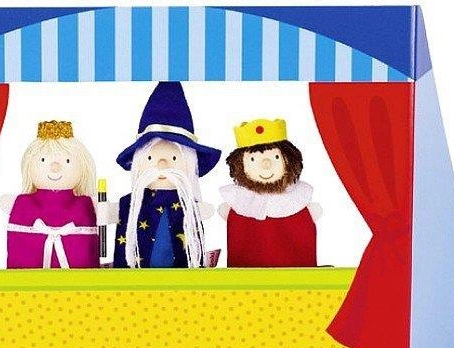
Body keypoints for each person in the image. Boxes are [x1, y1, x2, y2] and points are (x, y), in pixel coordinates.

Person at [98, 82, 221, 268]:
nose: (162, 165)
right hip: (133, 281)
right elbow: (110, 214)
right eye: (151, 158)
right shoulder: (130, 205)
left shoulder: (189, 206)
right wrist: (104, 212)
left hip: (182, 281)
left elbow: (208, 211)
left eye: (173, 158)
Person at [219, 119, 321, 267]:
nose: (266, 164)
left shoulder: (297, 200)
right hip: (246, 278)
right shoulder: (239, 202)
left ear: (289, 161)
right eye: (253, 159)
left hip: (297, 277)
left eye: (276, 157)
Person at [0, 121, 99, 268]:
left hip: (81, 279)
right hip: (26, 279)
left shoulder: (87, 204)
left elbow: (110, 212)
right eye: (43, 160)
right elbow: (4, 203)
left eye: (67, 161)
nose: (55, 167)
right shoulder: (22, 203)